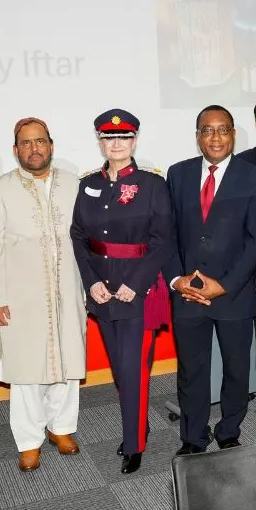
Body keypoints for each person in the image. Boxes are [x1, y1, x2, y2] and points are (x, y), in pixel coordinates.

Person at [0, 117, 88, 472]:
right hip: (20, 292)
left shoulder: (76, 185)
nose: (34, 148)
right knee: (26, 368)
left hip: (68, 286)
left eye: (40, 141)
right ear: (15, 150)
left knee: (68, 362)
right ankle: (29, 441)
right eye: (26, 143)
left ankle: (62, 428)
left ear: (51, 145)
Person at [164, 105, 256, 455]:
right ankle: (193, 438)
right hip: (187, 294)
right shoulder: (177, 175)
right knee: (192, 372)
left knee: (237, 370)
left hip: (233, 294)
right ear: (197, 136)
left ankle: (229, 430)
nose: (215, 137)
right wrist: (178, 280)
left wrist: (223, 285)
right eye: (207, 130)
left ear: (233, 134)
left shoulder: (254, 176)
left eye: (222, 129)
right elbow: (168, 235)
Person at [71, 109, 173, 475]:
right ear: (100, 141)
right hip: (102, 289)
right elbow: (79, 237)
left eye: (124, 137)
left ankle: (135, 444)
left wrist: (136, 284)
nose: (116, 143)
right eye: (109, 137)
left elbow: (162, 241)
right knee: (120, 369)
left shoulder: (152, 184)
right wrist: (91, 282)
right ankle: (137, 423)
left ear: (134, 141)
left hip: (137, 290)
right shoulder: (87, 184)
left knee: (134, 369)